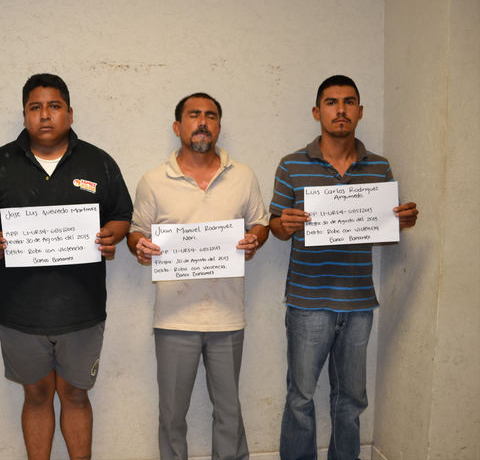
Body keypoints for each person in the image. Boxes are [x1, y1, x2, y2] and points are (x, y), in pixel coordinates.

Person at [0, 73, 132, 460]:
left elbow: (122, 214)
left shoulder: (98, 162)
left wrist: (112, 234)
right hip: (20, 311)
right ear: (24, 115)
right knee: (36, 395)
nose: (44, 115)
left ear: (69, 113)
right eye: (35, 107)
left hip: (83, 308)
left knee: (75, 394)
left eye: (54, 106)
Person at [269, 75, 419, 460]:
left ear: (360, 111)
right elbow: (276, 228)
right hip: (307, 302)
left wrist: (400, 222)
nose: (341, 110)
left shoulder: (379, 168)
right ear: (317, 112)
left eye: (349, 102)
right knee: (301, 397)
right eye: (332, 103)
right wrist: (283, 224)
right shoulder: (291, 165)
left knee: (351, 400)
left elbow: (383, 232)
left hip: (358, 303)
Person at [127, 92, 269, 460]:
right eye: (194, 115)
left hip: (228, 315)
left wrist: (255, 237)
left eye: (211, 115)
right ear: (178, 127)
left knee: (229, 413)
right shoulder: (154, 180)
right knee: (173, 415)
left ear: (219, 126)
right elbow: (135, 231)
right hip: (174, 318)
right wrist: (140, 245)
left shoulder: (243, 175)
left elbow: (261, 222)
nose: (203, 122)